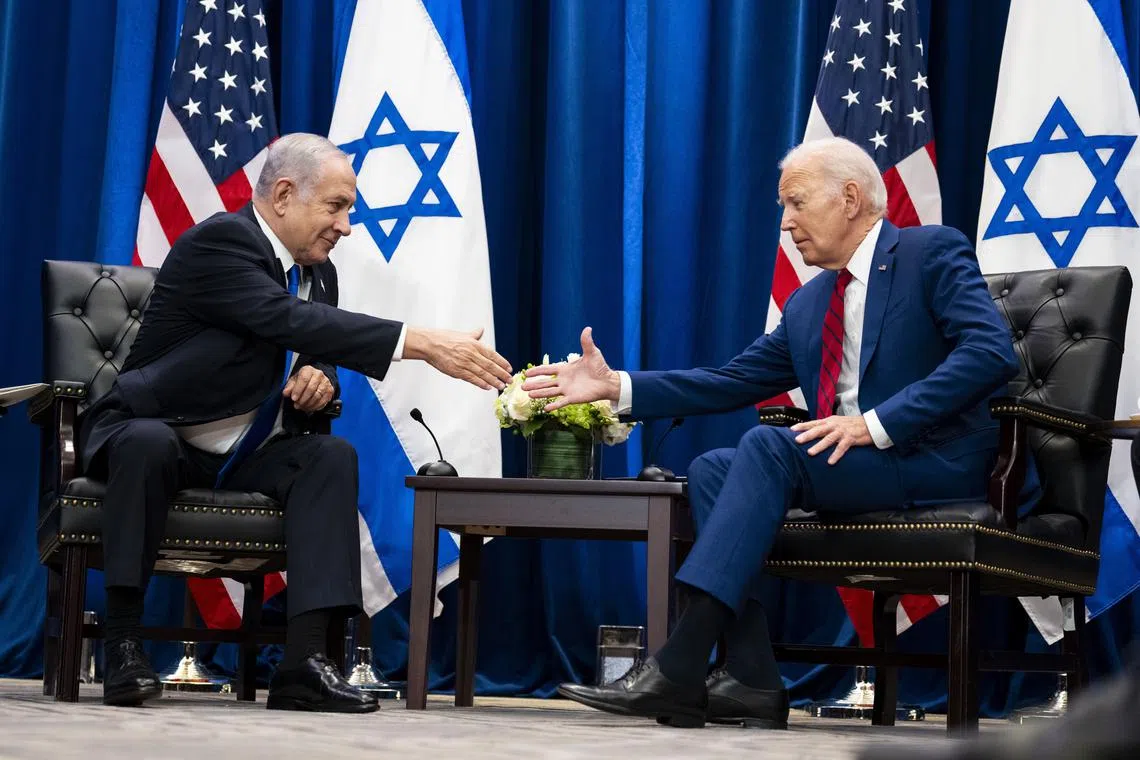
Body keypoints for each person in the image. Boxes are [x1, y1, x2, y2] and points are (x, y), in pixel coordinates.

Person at [523, 136, 1037, 729]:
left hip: (939, 460)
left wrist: (877, 424)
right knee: (714, 467)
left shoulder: (931, 253)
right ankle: (751, 677)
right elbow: (728, 380)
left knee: (766, 445)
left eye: (795, 203)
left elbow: (990, 352)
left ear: (849, 198)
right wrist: (618, 387)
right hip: (860, 468)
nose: (786, 223)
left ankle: (681, 660)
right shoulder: (808, 302)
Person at [79, 133, 513, 711]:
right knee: (148, 442)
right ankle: (125, 645)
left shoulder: (319, 270)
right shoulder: (221, 242)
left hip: (248, 450)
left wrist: (321, 376)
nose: (347, 225)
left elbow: (304, 338)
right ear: (283, 194)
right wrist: (421, 342)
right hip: (160, 430)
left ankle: (305, 662)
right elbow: (280, 316)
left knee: (331, 456)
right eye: (337, 206)